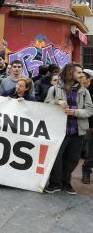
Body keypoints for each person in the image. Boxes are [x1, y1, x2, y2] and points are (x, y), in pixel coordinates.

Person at [44, 63, 93, 195]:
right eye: (79, 72)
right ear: (70, 73)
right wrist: (57, 102)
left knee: (73, 159)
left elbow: (89, 110)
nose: (82, 75)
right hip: (58, 131)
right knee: (56, 158)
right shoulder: (54, 89)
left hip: (77, 131)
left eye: (82, 72)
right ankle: (55, 183)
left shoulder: (84, 91)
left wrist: (74, 112)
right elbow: (46, 106)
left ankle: (66, 183)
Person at [82, 69, 93, 184]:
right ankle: (86, 171)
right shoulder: (80, 88)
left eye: (84, 81)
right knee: (90, 152)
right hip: (87, 124)